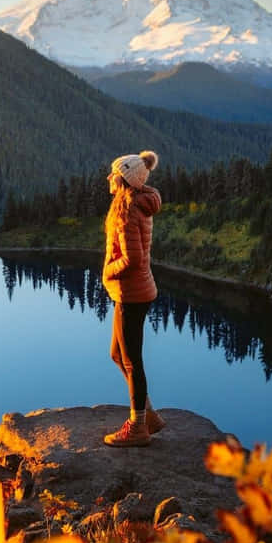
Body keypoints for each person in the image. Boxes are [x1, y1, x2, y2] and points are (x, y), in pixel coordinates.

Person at [102, 150, 165, 447]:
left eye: (113, 174)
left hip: (131, 293)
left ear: (124, 179)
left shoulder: (127, 212)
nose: (108, 178)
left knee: (131, 362)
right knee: (118, 355)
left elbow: (133, 259)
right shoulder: (134, 203)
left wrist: (107, 271)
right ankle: (147, 415)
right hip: (136, 290)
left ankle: (138, 426)